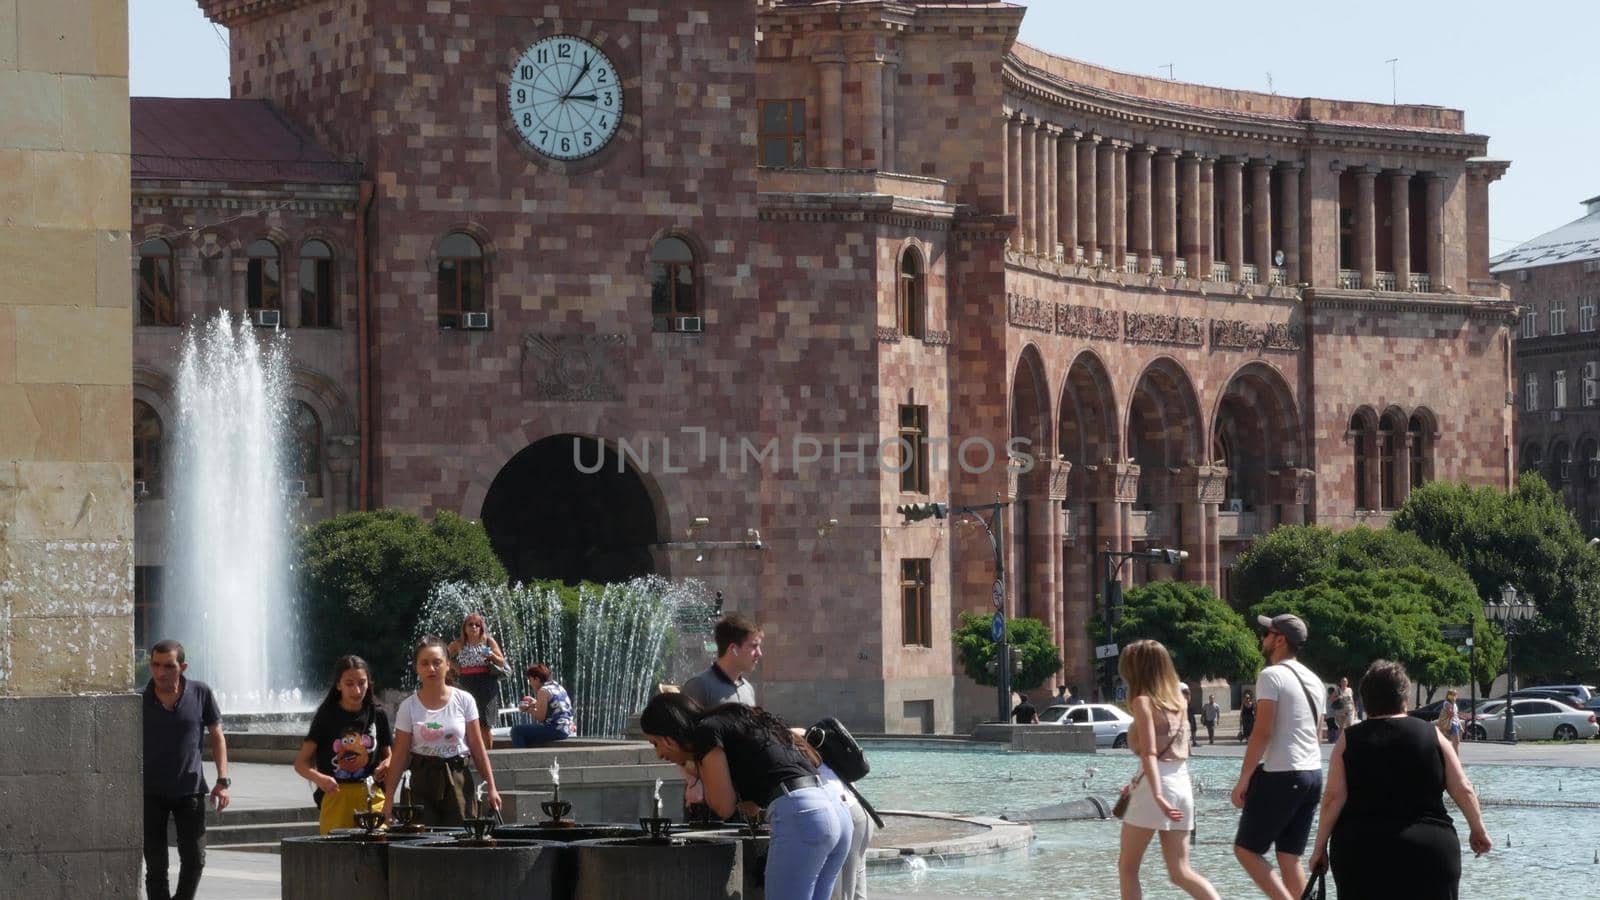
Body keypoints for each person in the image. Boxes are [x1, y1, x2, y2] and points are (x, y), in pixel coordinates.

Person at [641, 693, 853, 900]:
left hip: (804, 815)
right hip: (836, 809)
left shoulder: (705, 732)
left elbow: (723, 807)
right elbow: (752, 804)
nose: (659, 754)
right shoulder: (735, 717)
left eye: (655, 743)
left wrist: (693, 768)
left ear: (668, 735)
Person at [1308, 660, 1492, 898]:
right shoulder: (1431, 733)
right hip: (1429, 851)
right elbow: (1463, 789)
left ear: (1366, 700)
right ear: (1404, 699)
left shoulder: (1349, 739)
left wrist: (1319, 848)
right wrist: (1478, 829)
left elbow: (1333, 798)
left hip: (1362, 852)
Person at [1115, 640, 1221, 900]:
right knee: (1181, 871)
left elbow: (1151, 752)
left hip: (1156, 787)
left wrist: (1158, 795)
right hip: (1181, 783)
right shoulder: (1179, 702)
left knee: (1127, 868)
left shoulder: (1143, 701)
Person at [1232, 613, 1325, 900]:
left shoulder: (1271, 676)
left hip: (1284, 773)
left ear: (1280, 639)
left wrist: (1244, 779)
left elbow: (1263, 731)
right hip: (1312, 774)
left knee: (1246, 850)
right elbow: (1318, 733)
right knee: (1289, 857)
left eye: (1267, 634)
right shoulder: (1315, 680)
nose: (1263, 638)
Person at [142, 639, 230, 900]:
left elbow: (217, 736)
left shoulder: (200, 692)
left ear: (183, 667)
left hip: (189, 790)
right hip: (150, 793)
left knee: (195, 859)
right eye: (155, 665)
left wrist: (223, 779)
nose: (160, 673)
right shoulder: (138, 698)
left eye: (168, 666)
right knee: (156, 866)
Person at [384, 636, 502, 826]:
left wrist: (492, 787)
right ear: (417, 668)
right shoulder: (408, 707)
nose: (431, 668)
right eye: (425, 663)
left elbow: (477, 747)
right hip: (422, 779)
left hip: (458, 777)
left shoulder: (465, 700)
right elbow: (399, 755)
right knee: (422, 842)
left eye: (437, 662)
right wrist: (388, 800)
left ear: (448, 664)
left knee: (461, 838)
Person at [294, 655, 393, 834]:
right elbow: (301, 763)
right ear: (338, 685)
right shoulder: (326, 716)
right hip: (336, 795)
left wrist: (386, 764)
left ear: (369, 683)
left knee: (377, 849)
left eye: (362, 683)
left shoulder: (378, 714)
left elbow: (389, 754)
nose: (357, 690)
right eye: (349, 684)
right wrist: (320, 779)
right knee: (337, 855)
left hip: (372, 794)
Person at [447, 612, 508, 745]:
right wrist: (456, 668)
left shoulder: (487, 641)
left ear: (481, 628)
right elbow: (443, 656)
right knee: (466, 718)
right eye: (470, 624)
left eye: (477, 625)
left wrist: (491, 654)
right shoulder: (459, 643)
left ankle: (488, 755)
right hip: (467, 682)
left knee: (485, 722)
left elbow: (502, 662)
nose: (474, 627)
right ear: (464, 627)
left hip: (486, 681)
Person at [681, 613, 762, 707]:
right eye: (754, 646)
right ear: (733, 649)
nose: (759, 653)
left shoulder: (748, 689)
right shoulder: (698, 686)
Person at [510, 662, 576, 747]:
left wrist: (528, 709)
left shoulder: (543, 691)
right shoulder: (557, 686)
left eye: (530, 680)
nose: (530, 683)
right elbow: (553, 707)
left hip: (556, 729)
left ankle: (522, 758)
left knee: (516, 730)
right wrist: (535, 703)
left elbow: (540, 717)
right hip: (567, 728)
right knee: (528, 731)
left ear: (536, 679)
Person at [1437, 688, 1463, 752]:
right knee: (1456, 742)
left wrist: (1460, 726)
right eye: (1453, 695)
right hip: (1451, 723)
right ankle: (1453, 757)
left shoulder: (1454, 704)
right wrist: (1452, 703)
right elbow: (1451, 713)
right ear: (1449, 695)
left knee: (1455, 742)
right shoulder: (1447, 703)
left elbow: (1456, 715)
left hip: (1455, 723)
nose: (1455, 696)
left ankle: (1451, 755)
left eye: (1456, 695)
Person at [1180, 683, 1198, 749]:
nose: (1189, 696)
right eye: (1187, 693)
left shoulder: (1189, 704)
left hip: (1190, 715)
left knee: (1193, 729)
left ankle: (1193, 742)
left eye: (1189, 694)